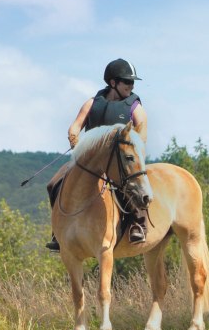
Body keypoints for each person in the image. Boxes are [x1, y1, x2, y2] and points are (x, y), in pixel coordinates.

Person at [45, 58, 149, 251]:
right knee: (53, 184)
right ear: (113, 83)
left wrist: (133, 149)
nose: (131, 85)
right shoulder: (92, 103)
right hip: (89, 160)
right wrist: (76, 144)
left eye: (132, 82)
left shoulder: (134, 106)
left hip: (118, 160)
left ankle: (138, 224)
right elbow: (74, 128)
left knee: (132, 182)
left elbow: (142, 131)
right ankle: (58, 231)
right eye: (127, 81)